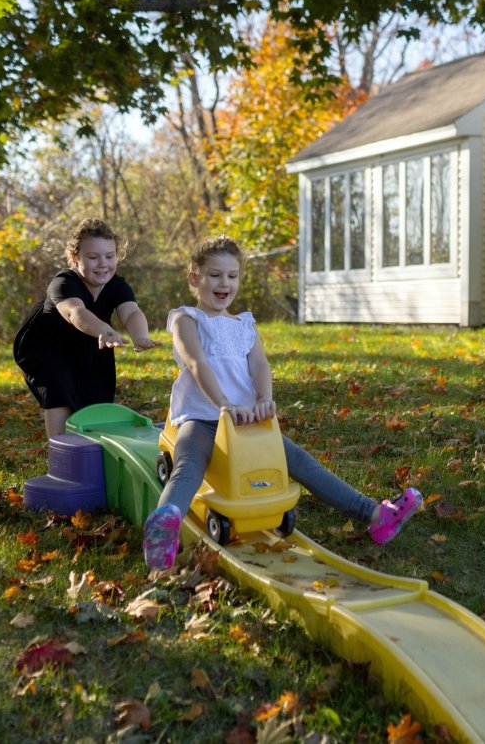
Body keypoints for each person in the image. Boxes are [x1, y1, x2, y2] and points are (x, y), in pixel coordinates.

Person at [142, 235, 422, 571]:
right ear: (194, 279)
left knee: (299, 461)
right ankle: (163, 527)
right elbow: (196, 363)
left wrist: (264, 399)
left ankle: (376, 515)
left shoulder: (244, 324)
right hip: (202, 418)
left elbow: (260, 366)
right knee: (188, 466)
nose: (224, 283)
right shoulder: (187, 319)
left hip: (247, 422)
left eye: (232, 276)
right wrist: (224, 404)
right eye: (214, 275)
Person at [13, 218, 158, 439]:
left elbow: (131, 312)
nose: (103, 264)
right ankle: (61, 448)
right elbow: (75, 313)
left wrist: (140, 336)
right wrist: (105, 330)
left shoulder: (116, 284)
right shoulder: (64, 283)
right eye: (93, 257)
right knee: (60, 390)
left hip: (89, 343)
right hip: (46, 346)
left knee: (96, 397)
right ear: (75, 258)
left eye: (109, 256)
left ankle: (92, 444)